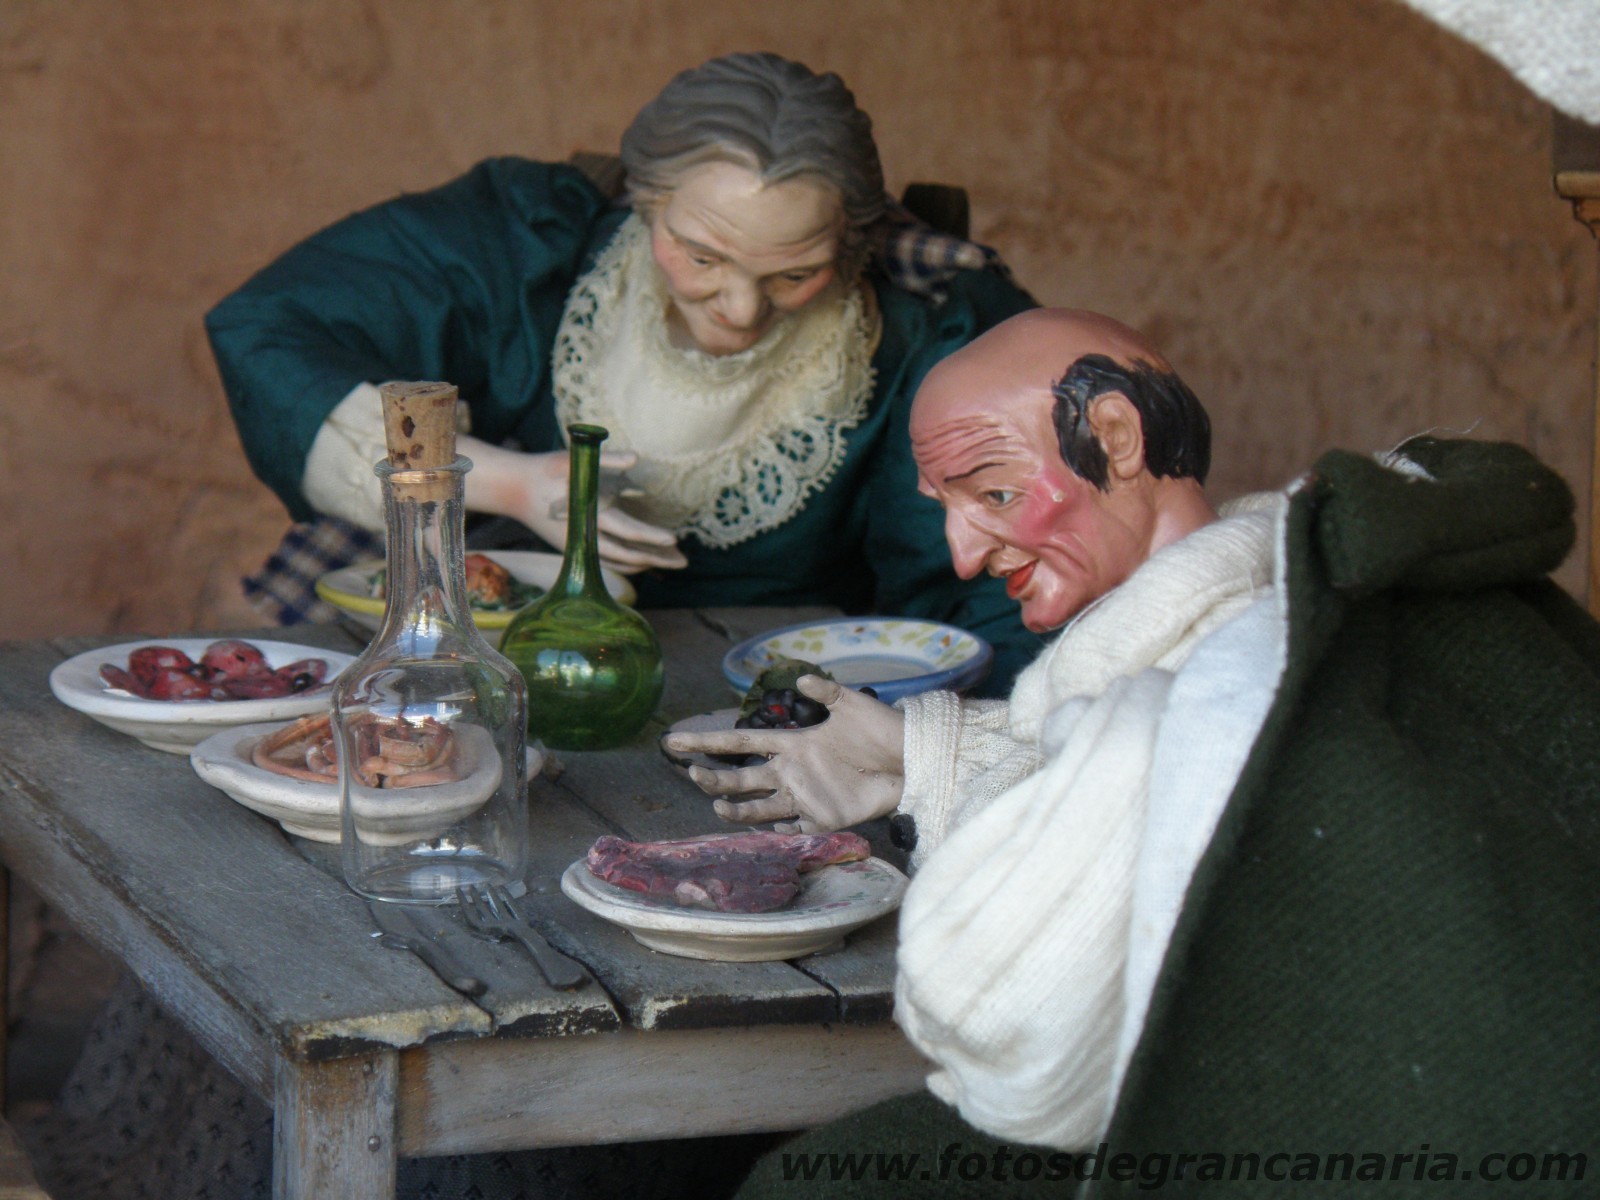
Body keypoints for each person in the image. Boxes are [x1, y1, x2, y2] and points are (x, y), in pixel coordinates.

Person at [666, 308, 1600, 1196]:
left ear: (1115, 437)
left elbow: (1007, 1029)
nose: (962, 556)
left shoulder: (1227, 683)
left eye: (995, 494)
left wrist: (946, 799)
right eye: (948, 507)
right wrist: (920, 752)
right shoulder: (1301, 588)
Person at [206, 51, 1043, 693]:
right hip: (515, 675)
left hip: (779, 695)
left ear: (851, 245)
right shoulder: (531, 244)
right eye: (701, 256)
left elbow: (978, 600)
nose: (740, 308)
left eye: (795, 274)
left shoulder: (921, 339)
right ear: (648, 204)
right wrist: (505, 484)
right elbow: (269, 331)